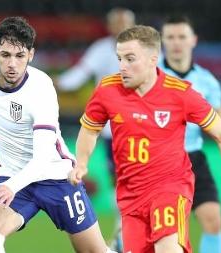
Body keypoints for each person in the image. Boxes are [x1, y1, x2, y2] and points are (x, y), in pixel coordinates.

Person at [68, 25, 221, 253]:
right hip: (130, 196)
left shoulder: (180, 93)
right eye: (119, 58)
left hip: (170, 188)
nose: (122, 66)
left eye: (130, 59)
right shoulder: (107, 90)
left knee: (167, 248)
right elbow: (90, 129)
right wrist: (82, 163)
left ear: (152, 59)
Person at [0, 17, 114, 253]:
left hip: (55, 177)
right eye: (5, 55)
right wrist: (12, 183)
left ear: (31, 55)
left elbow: (42, 158)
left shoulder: (41, 89)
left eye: (20, 56)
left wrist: (10, 186)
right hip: (14, 175)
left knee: (93, 251)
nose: (12, 64)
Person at [57, 9, 135, 251]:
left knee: (139, 184)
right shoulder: (102, 49)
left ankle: (129, 236)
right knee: (122, 185)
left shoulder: (145, 51)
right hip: (113, 131)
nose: (120, 27)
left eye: (125, 23)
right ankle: (124, 236)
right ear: (109, 26)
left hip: (143, 127)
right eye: (116, 23)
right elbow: (80, 73)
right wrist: (58, 83)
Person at [159, 14, 221, 253]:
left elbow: (219, 116)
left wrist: (217, 126)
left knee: (213, 221)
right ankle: (122, 243)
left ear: (193, 40)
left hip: (193, 157)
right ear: (163, 41)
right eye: (170, 37)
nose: (176, 42)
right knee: (163, 231)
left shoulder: (206, 80)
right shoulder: (150, 75)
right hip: (159, 161)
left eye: (182, 36)